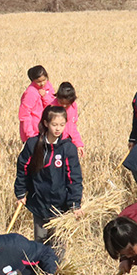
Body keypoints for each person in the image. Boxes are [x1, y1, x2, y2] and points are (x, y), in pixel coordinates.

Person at [15, 105, 82, 251]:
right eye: (54, 125)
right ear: (46, 123)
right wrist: (20, 192)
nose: (58, 129)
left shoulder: (68, 148)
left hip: (61, 205)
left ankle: (56, 271)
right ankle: (40, 271)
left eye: (62, 125)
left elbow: (74, 177)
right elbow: (23, 168)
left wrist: (75, 203)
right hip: (39, 202)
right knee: (40, 240)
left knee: (58, 243)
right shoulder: (33, 144)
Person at [18, 65, 56, 143]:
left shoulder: (48, 87)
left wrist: (45, 96)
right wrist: (30, 134)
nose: (42, 83)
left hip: (45, 128)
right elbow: (24, 115)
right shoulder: (31, 93)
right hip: (34, 130)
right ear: (33, 80)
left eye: (44, 80)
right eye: (38, 82)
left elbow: (52, 105)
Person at [55, 82, 84, 155]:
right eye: (61, 102)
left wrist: (78, 144)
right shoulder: (52, 107)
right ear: (57, 97)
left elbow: (73, 127)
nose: (64, 105)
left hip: (67, 141)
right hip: (54, 142)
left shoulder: (73, 107)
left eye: (67, 104)